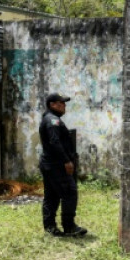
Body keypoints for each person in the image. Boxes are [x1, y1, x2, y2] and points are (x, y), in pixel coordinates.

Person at [39, 92, 88, 237]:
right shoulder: (53, 121)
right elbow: (55, 142)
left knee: (51, 196)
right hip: (57, 165)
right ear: (52, 105)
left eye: (64, 103)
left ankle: (50, 227)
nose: (64, 106)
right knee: (69, 192)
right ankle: (69, 226)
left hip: (50, 164)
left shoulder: (49, 119)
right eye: (61, 103)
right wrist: (67, 161)